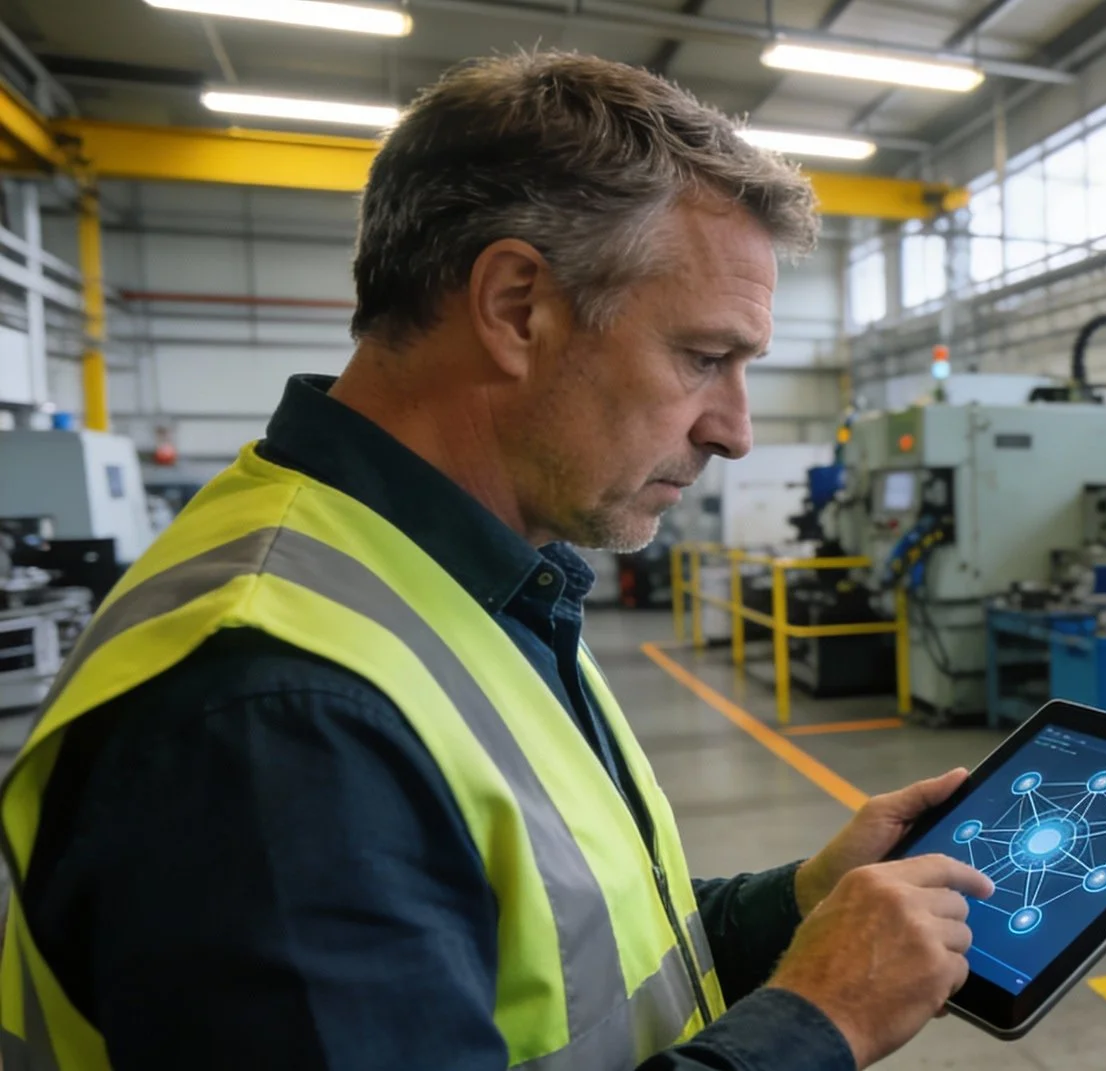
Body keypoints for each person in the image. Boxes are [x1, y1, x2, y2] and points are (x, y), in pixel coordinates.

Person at [0, 51, 993, 1070]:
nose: (735, 431)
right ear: (518, 305)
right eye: (704, 359)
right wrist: (817, 1022)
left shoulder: (459, 585)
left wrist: (794, 908)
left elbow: (571, 952)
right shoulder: (278, 714)